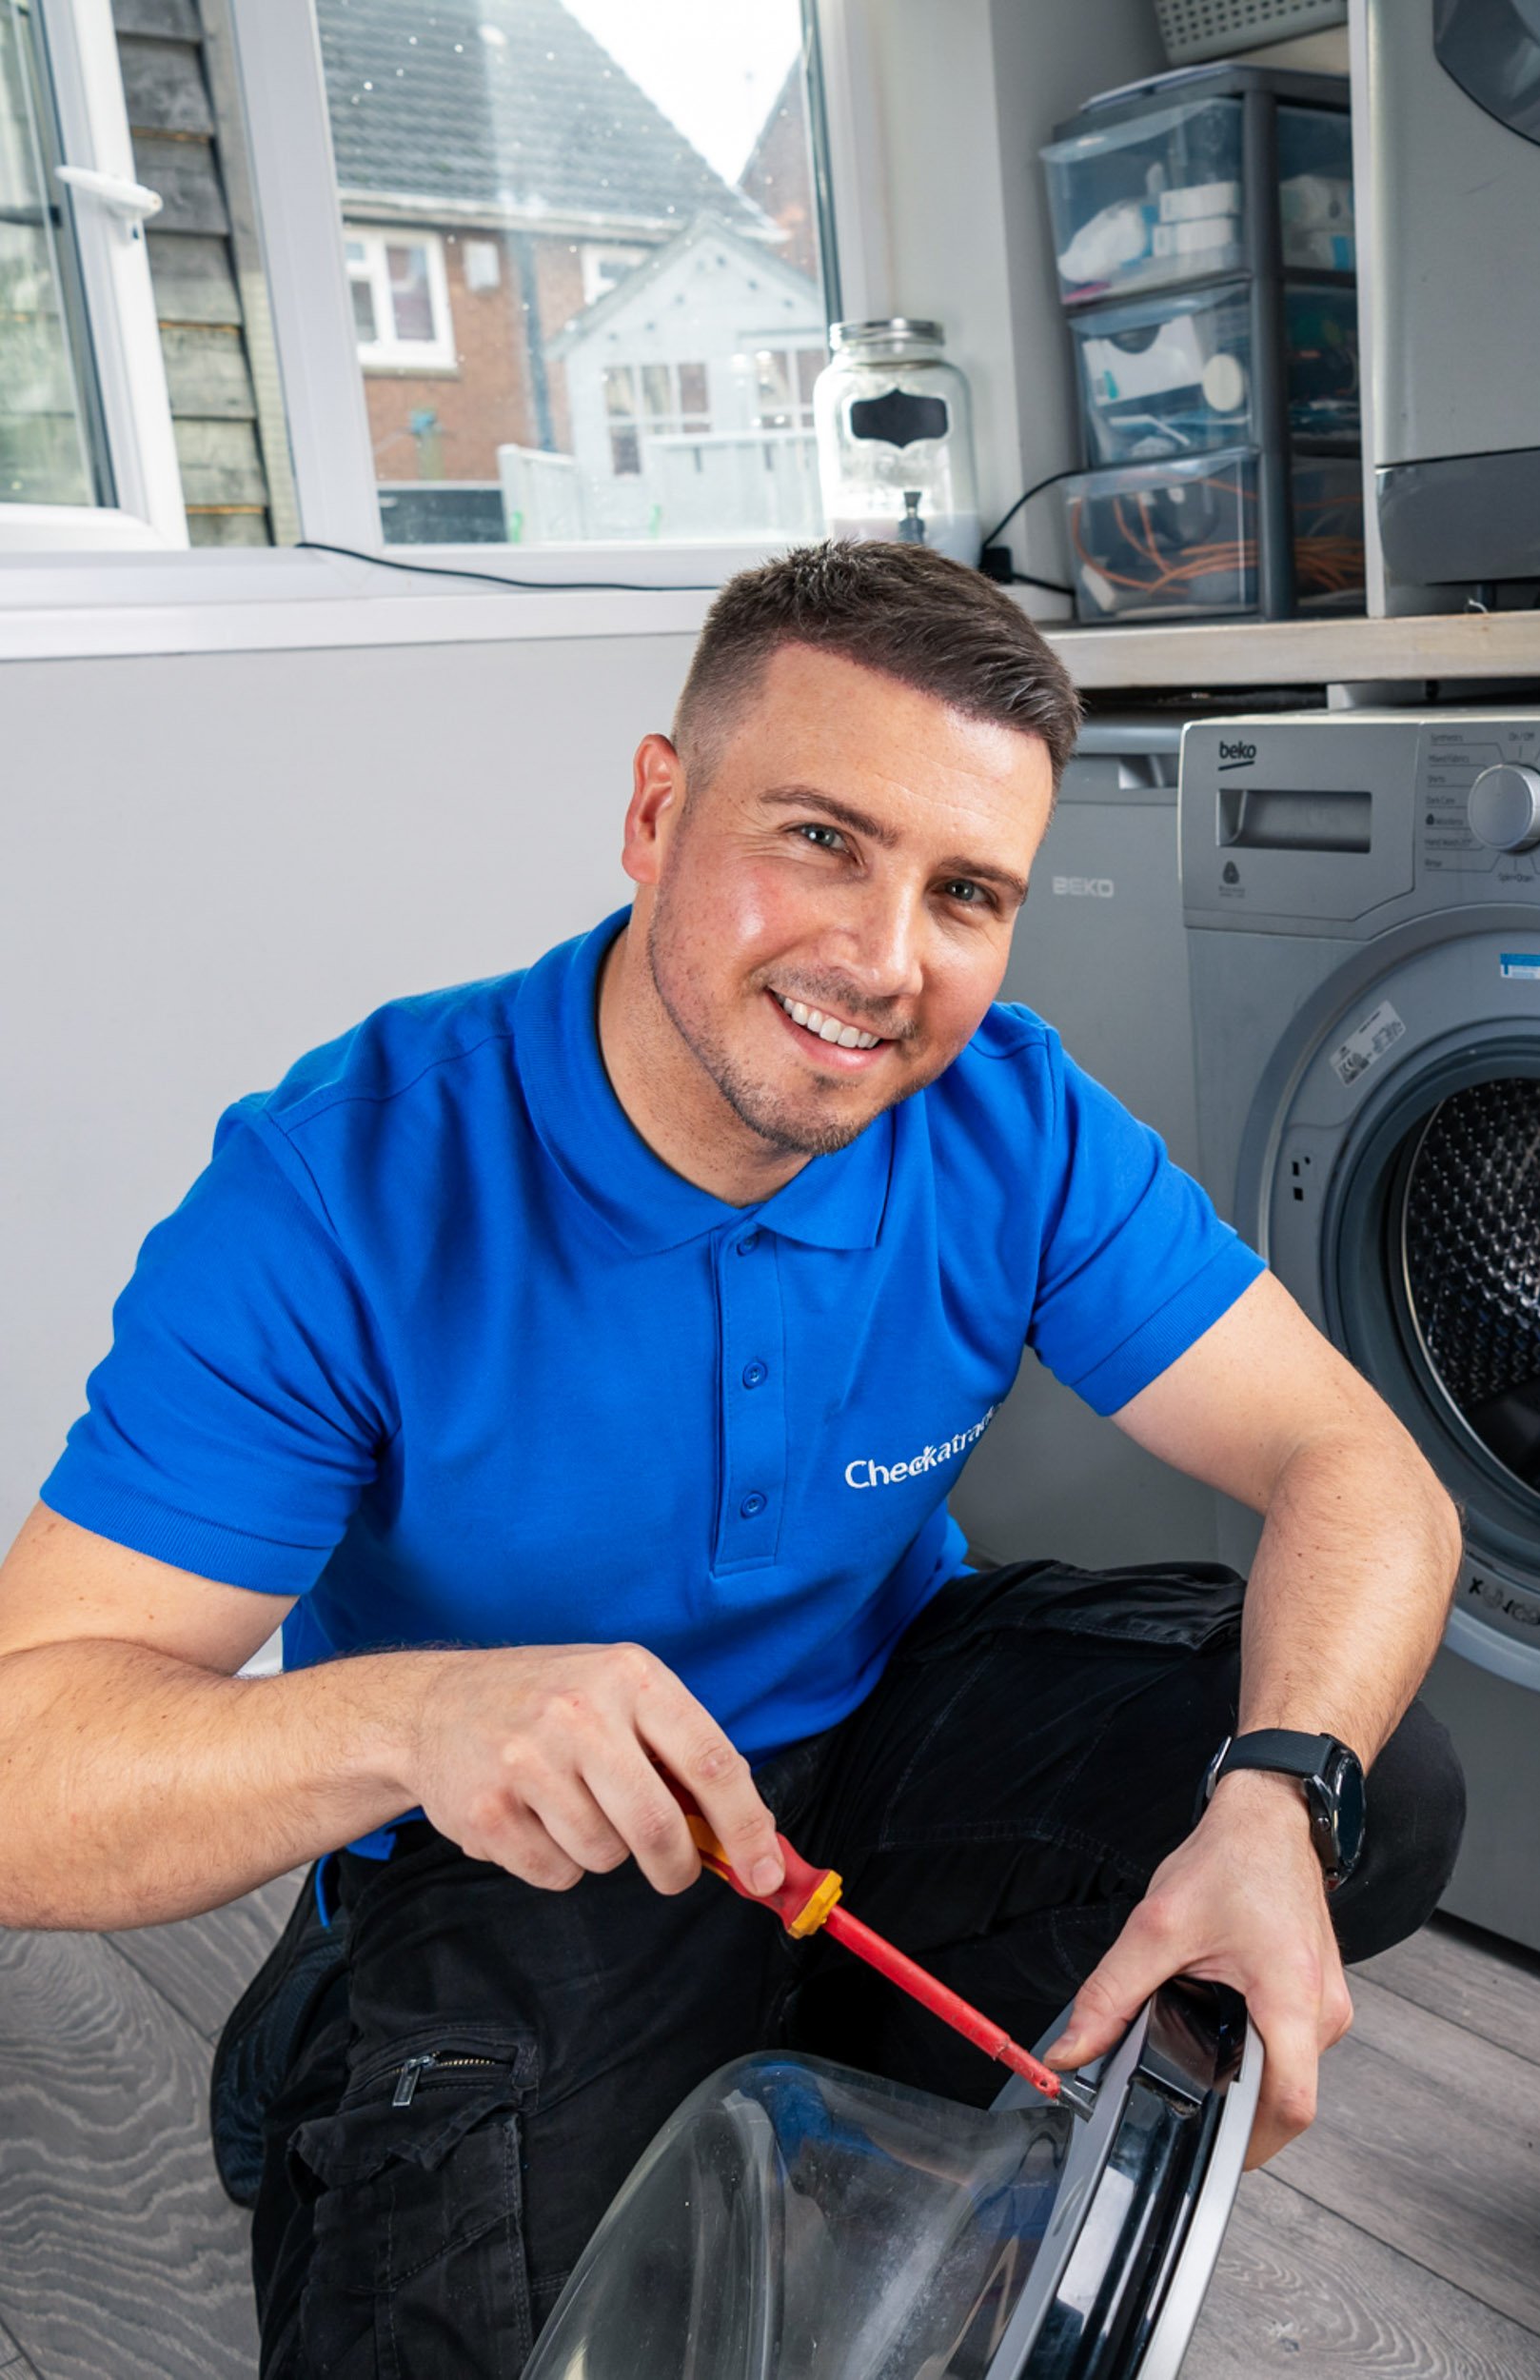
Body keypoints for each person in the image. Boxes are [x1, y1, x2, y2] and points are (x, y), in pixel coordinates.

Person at [0, 543, 1463, 2378]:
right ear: (656, 807)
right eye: (822, 841)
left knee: (1365, 1779)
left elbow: (1357, 1467)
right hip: (535, 1837)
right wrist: (420, 1720)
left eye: (966, 891)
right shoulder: (340, 1190)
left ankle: (854, 2105)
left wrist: (1274, 1797)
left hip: (886, 1730)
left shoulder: (1013, 1118)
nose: (885, 962)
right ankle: (358, 2017)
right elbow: (23, 1764)